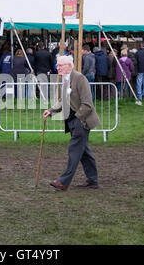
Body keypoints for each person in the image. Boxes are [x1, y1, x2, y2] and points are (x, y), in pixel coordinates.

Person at [43, 55, 101, 191]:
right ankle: (93, 181)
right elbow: (63, 101)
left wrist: (78, 119)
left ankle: (63, 182)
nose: (57, 68)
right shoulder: (65, 79)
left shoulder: (80, 78)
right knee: (85, 153)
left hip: (82, 121)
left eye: (60, 65)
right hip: (74, 121)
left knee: (74, 151)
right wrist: (51, 111)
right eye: (57, 65)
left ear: (69, 66)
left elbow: (88, 104)